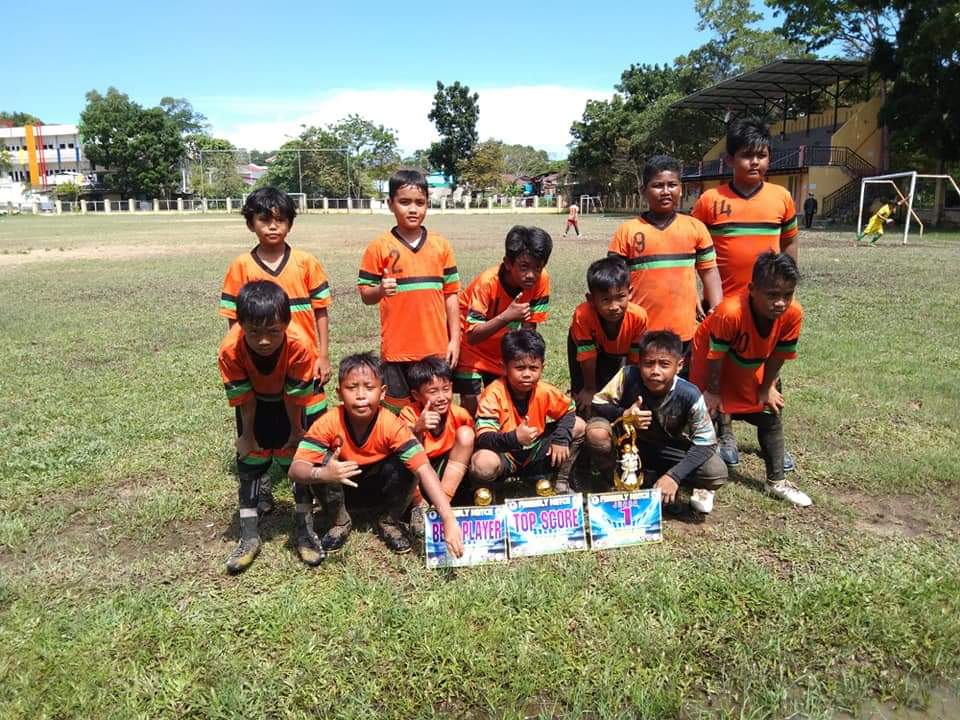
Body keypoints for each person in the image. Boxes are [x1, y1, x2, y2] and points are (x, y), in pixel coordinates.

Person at [690, 119, 800, 471]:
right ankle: (724, 434)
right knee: (719, 367)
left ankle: (773, 440)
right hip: (724, 305)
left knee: (765, 368)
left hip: (764, 307)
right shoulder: (711, 201)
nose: (755, 162)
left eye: (762, 155)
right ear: (730, 159)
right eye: (746, 156)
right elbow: (695, 248)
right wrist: (700, 293)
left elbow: (790, 243)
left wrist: (788, 287)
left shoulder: (781, 198)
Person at [289, 353, 465, 557]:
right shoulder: (327, 423)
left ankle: (389, 520)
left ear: (382, 393)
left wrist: (449, 519)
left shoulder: (391, 424)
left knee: (409, 459)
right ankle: (340, 520)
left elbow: (424, 468)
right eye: (352, 388)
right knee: (322, 460)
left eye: (369, 388)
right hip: (344, 492)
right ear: (338, 393)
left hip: (381, 493)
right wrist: (323, 474)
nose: (361, 395)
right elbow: (295, 470)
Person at [688, 252, 812, 507]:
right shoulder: (729, 312)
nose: (780, 303)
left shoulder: (793, 313)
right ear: (753, 289)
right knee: (705, 414)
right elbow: (715, 357)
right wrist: (712, 391)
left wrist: (767, 387)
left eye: (787, 295)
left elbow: (780, 354)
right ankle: (703, 484)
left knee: (770, 410)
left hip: (751, 360)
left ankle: (776, 481)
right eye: (772, 295)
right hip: (711, 361)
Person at [217, 281, 323, 573]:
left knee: (297, 462)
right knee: (250, 463)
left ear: (286, 324)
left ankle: (305, 530)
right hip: (256, 403)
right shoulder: (230, 350)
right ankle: (249, 536)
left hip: (287, 402)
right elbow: (245, 400)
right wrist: (247, 436)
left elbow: (294, 398)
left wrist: (296, 433)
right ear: (240, 325)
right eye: (254, 332)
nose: (264, 341)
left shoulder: (300, 345)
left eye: (273, 332)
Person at [587, 331, 728, 513]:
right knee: (596, 432)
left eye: (664, 365)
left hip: (668, 449)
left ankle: (664, 479)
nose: (655, 371)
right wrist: (624, 414)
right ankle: (612, 480)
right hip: (628, 445)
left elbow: (706, 442)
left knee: (715, 472)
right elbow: (597, 403)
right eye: (648, 364)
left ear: (679, 366)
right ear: (639, 362)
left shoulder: (689, 394)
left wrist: (674, 476)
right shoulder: (627, 376)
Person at [357, 169, 461, 413]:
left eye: (419, 203)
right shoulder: (379, 247)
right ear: (390, 204)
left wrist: (454, 339)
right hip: (397, 351)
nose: (413, 209)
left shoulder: (441, 245)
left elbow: (452, 295)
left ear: (427, 204)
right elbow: (365, 295)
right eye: (404, 202)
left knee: (434, 408)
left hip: (435, 349)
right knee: (398, 413)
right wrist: (380, 290)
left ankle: (434, 452)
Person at [608, 155, 722, 361]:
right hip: (640, 332)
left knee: (680, 386)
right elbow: (613, 280)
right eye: (658, 185)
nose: (666, 191)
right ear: (643, 191)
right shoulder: (627, 231)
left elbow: (709, 271)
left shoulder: (695, 227)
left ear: (681, 188)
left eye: (672, 185)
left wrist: (717, 310)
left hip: (684, 331)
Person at [470, 329, 585, 502]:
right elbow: (484, 438)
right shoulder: (493, 393)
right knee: (483, 462)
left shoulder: (544, 390)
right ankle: (486, 498)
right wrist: (514, 438)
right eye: (519, 368)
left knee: (579, 425)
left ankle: (561, 482)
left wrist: (560, 439)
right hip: (505, 454)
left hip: (535, 451)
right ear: (504, 367)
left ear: (542, 367)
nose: (527, 374)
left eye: (533, 368)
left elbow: (569, 409)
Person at [455, 226, 552, 415]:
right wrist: (507, 316)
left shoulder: (541, 280)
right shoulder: (487, 283)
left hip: (501, 350)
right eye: (524, 267)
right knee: (472, 403)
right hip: (469, 348)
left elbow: (529, 330)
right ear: (508, 263)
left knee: (503, 402)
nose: (531, 274)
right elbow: (472, 335)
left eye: (538, 267)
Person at [399, 357, 476, 533]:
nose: (441, 397)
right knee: (403, 453)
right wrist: (417, 429)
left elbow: (470, 446)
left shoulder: (460, 414)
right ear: (416, 395)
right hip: (417, 476)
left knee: (466, 434)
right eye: (433, 391)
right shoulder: (408, 413)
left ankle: (442, 504)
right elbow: (402, 453)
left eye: (446, 389)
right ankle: (419, 506)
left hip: (446, 472)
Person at [568, 256, 648, 418]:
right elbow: (587, 357)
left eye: (620, 297)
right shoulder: (583, 315)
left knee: (620, 391)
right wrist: (589, 389)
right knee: (585, 398)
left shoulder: (639, 317)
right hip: (587, 354)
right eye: (605, 300)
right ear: (591, 300)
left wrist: (629, 389)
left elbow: (634, 360)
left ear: (630, 293)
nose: (614, 307)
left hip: (619, 352)